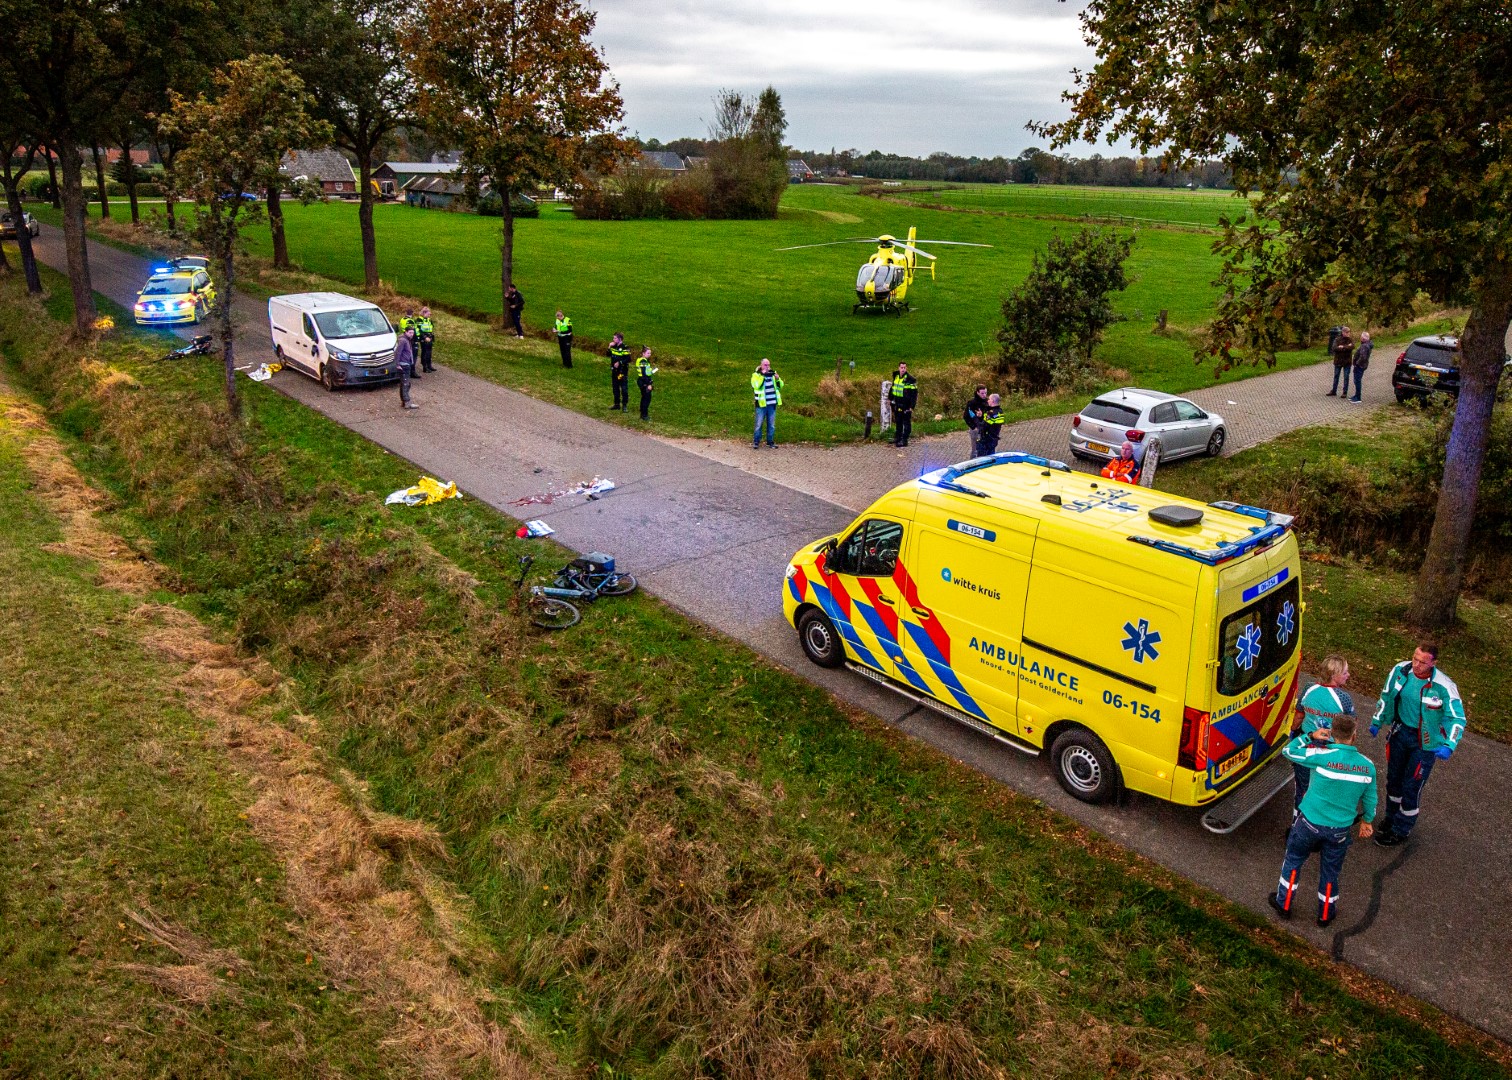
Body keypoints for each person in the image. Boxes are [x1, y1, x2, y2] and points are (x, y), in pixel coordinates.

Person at [1270, 715, 1376, 927]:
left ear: (1332, 734)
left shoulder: (1321, 755)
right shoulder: (1367, 766)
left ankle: (1284, 904)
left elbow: (1288, 751)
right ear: (1354, 736)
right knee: (1330, 872)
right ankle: (1326, 914)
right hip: (1339, 830)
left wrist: (1309, 736)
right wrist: (1367, 821)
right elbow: (1371, 799)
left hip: (1309, 822)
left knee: (1294, 860)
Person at [1369, 641, 1467, 846]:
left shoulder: (1444, 686)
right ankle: (1391, 817)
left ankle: (1401, 829)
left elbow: (1457, 718)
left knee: (1411, 786)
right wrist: (1377, 720)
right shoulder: (1400, 671)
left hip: (1425, 744)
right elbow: (1386, 696)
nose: (1416, 665)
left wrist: (1449, 744)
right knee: (1393, 780)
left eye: (1422, 662)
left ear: (1433, 663)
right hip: (1400, 733)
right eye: (1415, 658)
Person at [1292, 656, 1354, 817]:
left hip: (1307, 746)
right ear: (1334, 675)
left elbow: (1298, 716)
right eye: (1345, 672)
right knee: (1325, 789)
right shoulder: (1344, 699)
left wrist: (1293, 734)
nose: (1348, 675)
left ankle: (1298, 821)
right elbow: (1350, 729)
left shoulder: (1309, 688)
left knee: (1302, 787)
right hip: (1330, 750)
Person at [751, 357, 784, 449]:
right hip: (761, 404)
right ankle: (756, 442)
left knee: (771, 425)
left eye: (768, 365)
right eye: (765, 365)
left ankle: (770, 442)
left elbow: (780, 386)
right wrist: (763, 375)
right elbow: (756, 386)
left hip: (772, 404)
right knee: (759, 424)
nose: (767, 367)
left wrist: (777, 379)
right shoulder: (756, 375)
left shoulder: (773, 374)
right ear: (761, 365)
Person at [890, 363, 918, 447]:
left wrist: (912, 406)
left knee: (906, 423)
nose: (903, 369)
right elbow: (893, 388)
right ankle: (898, 438)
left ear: (906, 368)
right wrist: (890, 398)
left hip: (906, 404)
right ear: (899, 368)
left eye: (904, 368)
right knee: (898, 421)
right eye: (901, 367)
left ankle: (904, 440)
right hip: (897, 403)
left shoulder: (910, 379)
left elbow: (914, 394)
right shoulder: (896, 377)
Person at [394, 325, 419, 409]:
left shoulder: (407, 340)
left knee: (404, 383)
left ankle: (404, 402)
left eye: (413, 333)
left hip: (406, 363)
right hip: (403, 364)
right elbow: (398, 352)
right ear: (406, 332)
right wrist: (397, 364)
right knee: (406, 384)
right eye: (410, 333)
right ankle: (407, 402)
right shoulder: (403, 341)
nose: (412, 334)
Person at [963, 384, 988, 457]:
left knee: (985, 448)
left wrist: (982, 414)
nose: (984, 395)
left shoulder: (987, 402)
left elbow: (988, 413)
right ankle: (973, 462)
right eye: (982, 393)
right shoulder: (972, 403)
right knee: (975, 450)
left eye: (985, 393)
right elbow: (966, 416)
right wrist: (973, 427)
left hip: (985, 428)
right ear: (977, 392)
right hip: (976, 428)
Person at [1328, 325, 1354, 396]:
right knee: (1336, 376)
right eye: (1346, 332)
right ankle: (1334, 391)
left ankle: (1344, 392)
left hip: (1347, 361)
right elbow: (1334, 348)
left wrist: (1342, 347)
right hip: (1338, 361)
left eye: (1349, 332)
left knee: (1346, 377)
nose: (1348, 333)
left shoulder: (1350, 339)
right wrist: (1346, 347)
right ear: (1343, 332)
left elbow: (1352, 347)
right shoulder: (1337, 339)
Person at [608, 333, 631, 410]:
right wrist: (609, 346)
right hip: (614, 371)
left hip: (622, 372)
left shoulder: (625, 347)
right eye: (613, 338)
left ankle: (624, 405)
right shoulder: (613, 346)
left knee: (624, 389)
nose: (613, 340)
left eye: (615, 338)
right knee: (615, 388)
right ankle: (616, 404)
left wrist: (619, 362)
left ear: (620, 339)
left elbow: (628, 359)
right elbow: (607, 354)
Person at [1349, 331, 1372, 403]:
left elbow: (1363, 357)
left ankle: (1358, 397)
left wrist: (1357, 363)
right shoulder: (1366, 345)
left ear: (1363, 338)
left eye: (1361, 337)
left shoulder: (1364, 346)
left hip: (1360, 366)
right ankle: (1356, 395)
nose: (1360, 338)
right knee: (1357, 380)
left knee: (1357, 381)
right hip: (1362, 365)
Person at [635, 347, 656, 421]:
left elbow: (646, 372)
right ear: (643, 353)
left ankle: (642, 412)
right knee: (647, 398)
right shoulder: (643, 361)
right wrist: (648, 384)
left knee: (644, 397)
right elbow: (644, 374)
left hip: (642, 380)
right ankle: (644, 415)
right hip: (644, 381)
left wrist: (652, 371)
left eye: (650, 353)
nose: (649, 354)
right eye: (648, 353)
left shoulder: (643, 360)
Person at [416, 306, 436, 373]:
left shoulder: (429, 320)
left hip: (429, 337)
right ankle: (425, 367)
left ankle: (429, 365)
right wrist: (424, 337)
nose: (429, 315)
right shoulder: (419, 320)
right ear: (424, 313)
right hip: (424, 338)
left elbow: (431, 328)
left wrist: (431, 336)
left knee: (429, 352)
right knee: (425, 352)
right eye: (428, 314)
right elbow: (418, 330)